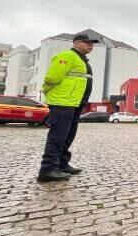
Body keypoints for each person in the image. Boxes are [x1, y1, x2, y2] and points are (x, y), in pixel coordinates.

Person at [37, 33, 99, 182]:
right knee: (58, 136)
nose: (91, 45)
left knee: (67, 136)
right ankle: (48, 169)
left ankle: (62, 164)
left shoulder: (82, 60)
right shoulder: (67, 56)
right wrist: (47, 91)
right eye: (87, 42)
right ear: (76, 43)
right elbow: (52, 78)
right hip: (63, 102)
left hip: (74, 103)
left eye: (92, 43)